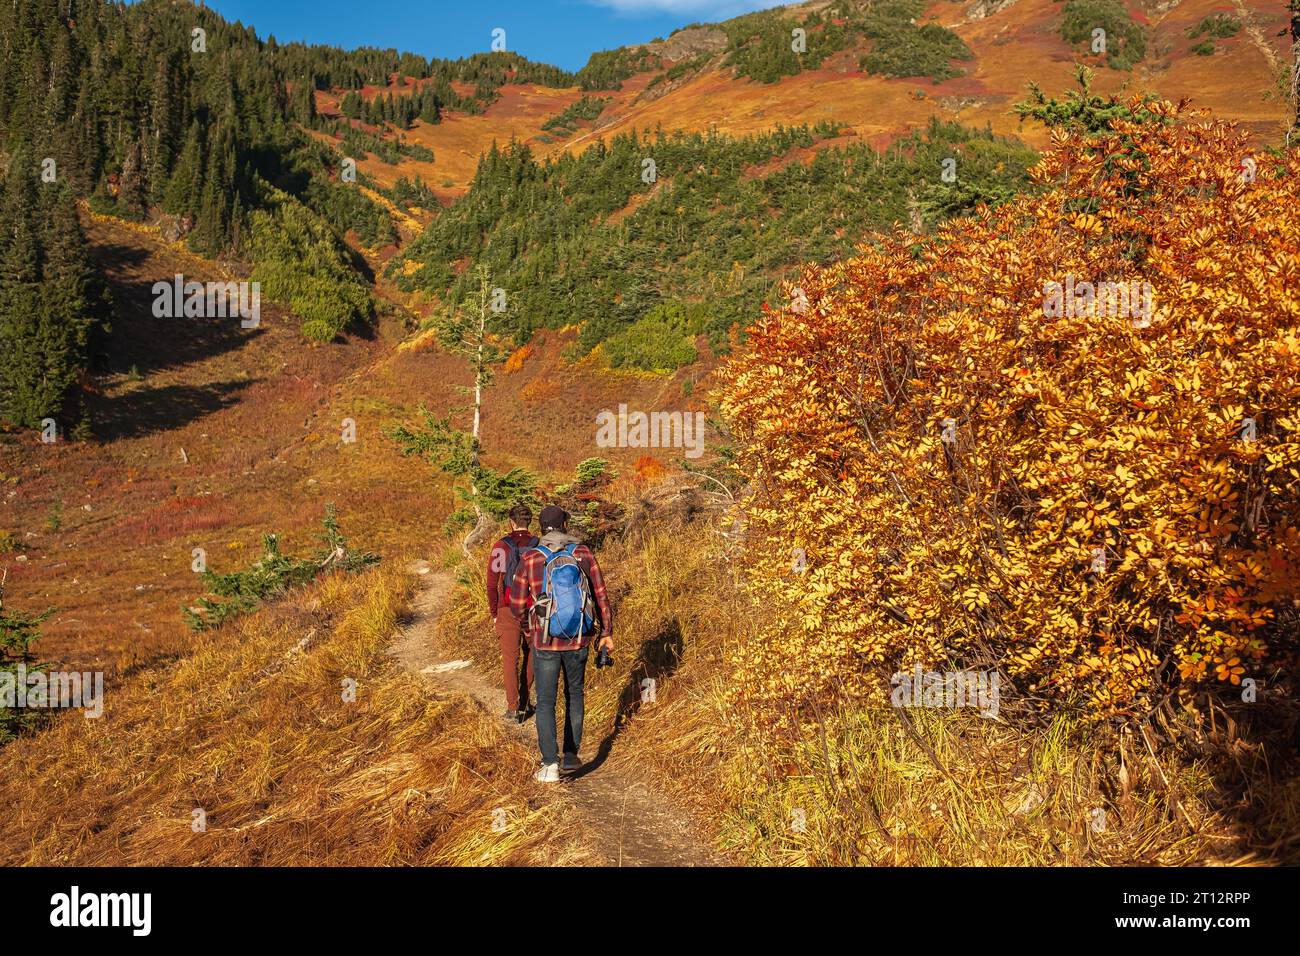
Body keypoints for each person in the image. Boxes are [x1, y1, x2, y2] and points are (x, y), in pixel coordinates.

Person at [509, 505, 613, 782]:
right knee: (574, 694)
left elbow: (517, 605)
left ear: (541, 528)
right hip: (579, 637)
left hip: (544, 641)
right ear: (565, 524)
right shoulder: (582, 553)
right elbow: (600, 594)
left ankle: (550, 764)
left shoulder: (531, 558)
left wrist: (529, 629)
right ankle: (570, 754)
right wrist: (606, 632)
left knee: (545, 701)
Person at [486, 503, 538, 723]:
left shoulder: (501, 546)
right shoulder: (539, 545)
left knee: (510, 658)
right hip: (534, 608)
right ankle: (526, 703)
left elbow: (491, 583)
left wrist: (495, 611)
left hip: (507, 608)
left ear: (511, 522)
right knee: (532, 654)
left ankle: (512, 707)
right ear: (530, 522)